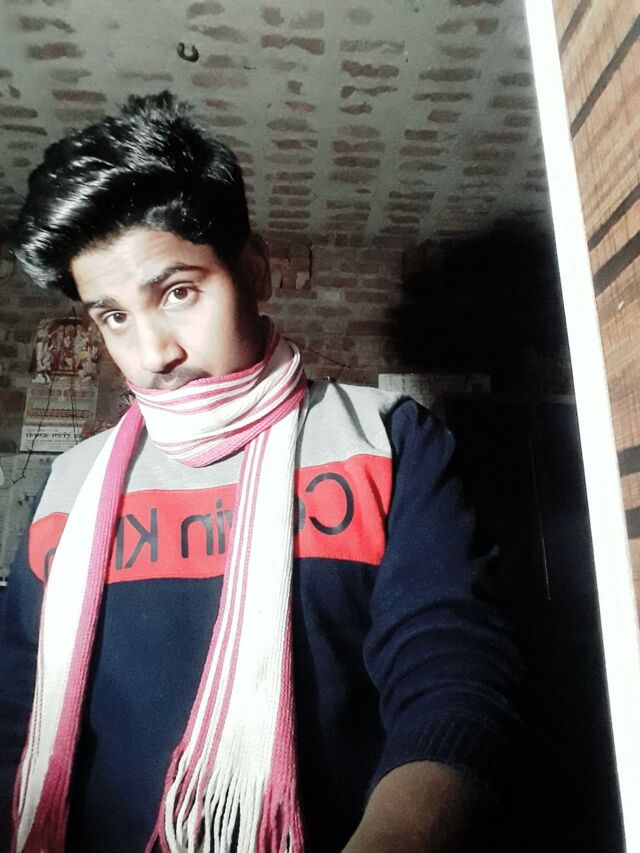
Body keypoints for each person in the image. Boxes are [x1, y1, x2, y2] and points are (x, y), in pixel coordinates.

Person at [0, 92, 523, 853]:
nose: (152, 353)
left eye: (178, 292)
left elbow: (454, 674)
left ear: (253, 269)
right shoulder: (69, 484)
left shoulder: (386, 439)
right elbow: (17, 701)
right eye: (114, 315)